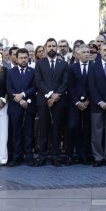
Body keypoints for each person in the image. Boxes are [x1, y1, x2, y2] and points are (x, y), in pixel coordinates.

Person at [34, 38, 69, 167]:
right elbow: (38, 81)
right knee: (43, 130)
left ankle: (56, 156)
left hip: (59, 102)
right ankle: (42, 156)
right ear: (45, 47)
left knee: (57, 130)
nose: (52, 48)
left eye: (54, 46)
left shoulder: (63, 64)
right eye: (49, 46)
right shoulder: (40, 63)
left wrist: (55, 97)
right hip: (43, 101)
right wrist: (50, 95)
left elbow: (65, 82)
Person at [6, 48, 36, 167]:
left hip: (29, 105)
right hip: (15, 107)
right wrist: (18, 99)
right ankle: (16, 157)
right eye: (21, 58)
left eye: (25, 58)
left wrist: (23, 96)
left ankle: (29, 156)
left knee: (29, 132)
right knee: (16, 133)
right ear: (16, 59)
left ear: (28, 58)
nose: (23, 60)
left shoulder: (33, 71)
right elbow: (9, 88)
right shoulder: (10, 72)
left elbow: (34, 87)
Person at [66, 45, 92, 165]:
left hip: (89, 103)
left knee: (86, 129)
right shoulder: (72, 67)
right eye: (84, 52)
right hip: (74, 104)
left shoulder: (94, 67)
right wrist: (77, 102)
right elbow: (70, 86)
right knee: (72, 128)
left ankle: (84, 155)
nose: (87, 54)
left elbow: (96, 86)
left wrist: (88, 101)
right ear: (78, 54)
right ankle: (69, 155)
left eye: (88, 52)